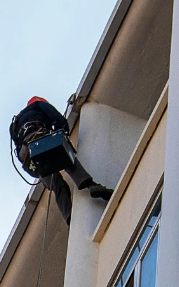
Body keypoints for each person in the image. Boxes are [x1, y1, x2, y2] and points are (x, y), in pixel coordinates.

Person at [9, 96, 111, 225]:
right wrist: (63, 134)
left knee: (57, 186)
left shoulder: (15, 123)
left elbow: (17, 147)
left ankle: (69, 218)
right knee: (65, 158)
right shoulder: (39, 105)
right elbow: (58, 120)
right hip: (38, 140)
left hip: (28, 156)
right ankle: (91, 186)